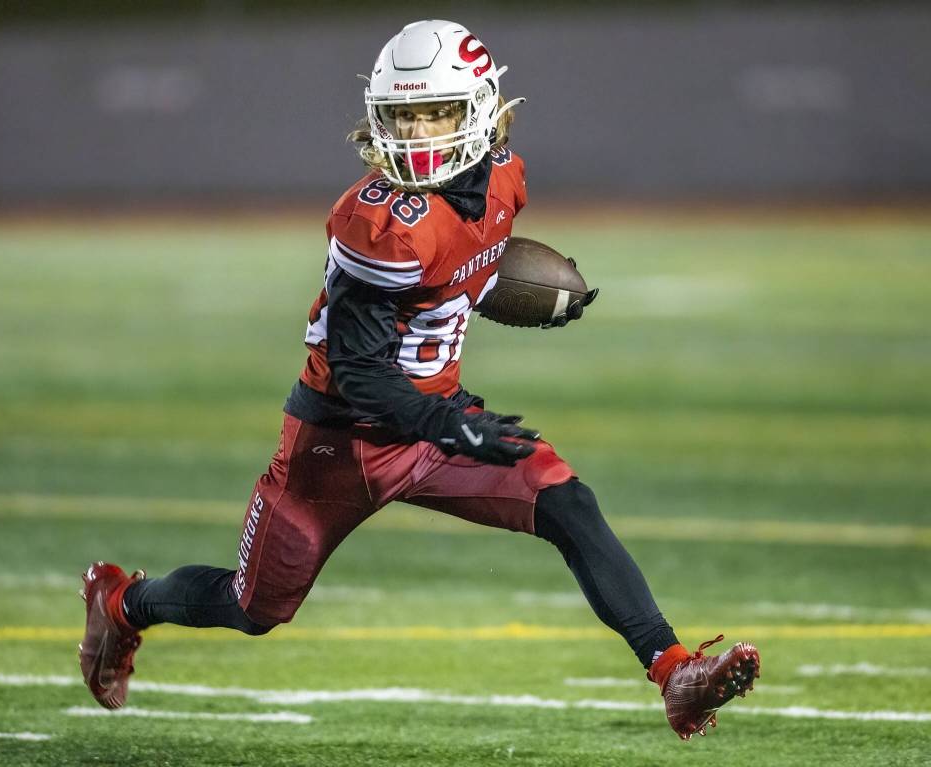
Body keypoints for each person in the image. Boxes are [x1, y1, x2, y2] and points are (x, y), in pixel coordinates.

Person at [79, 20, 760, 739]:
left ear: (481, 109)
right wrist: (449, 424)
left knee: (567, 502)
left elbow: (464, 267)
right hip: (337, 444)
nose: (419, 131)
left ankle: (675, 672)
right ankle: (122, 603)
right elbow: (360, 373)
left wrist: (507, 295)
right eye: (404, 115)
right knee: (255, 608)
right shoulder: (383, 225)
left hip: (437, 422)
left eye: (435, 111)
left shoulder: (504, 180)